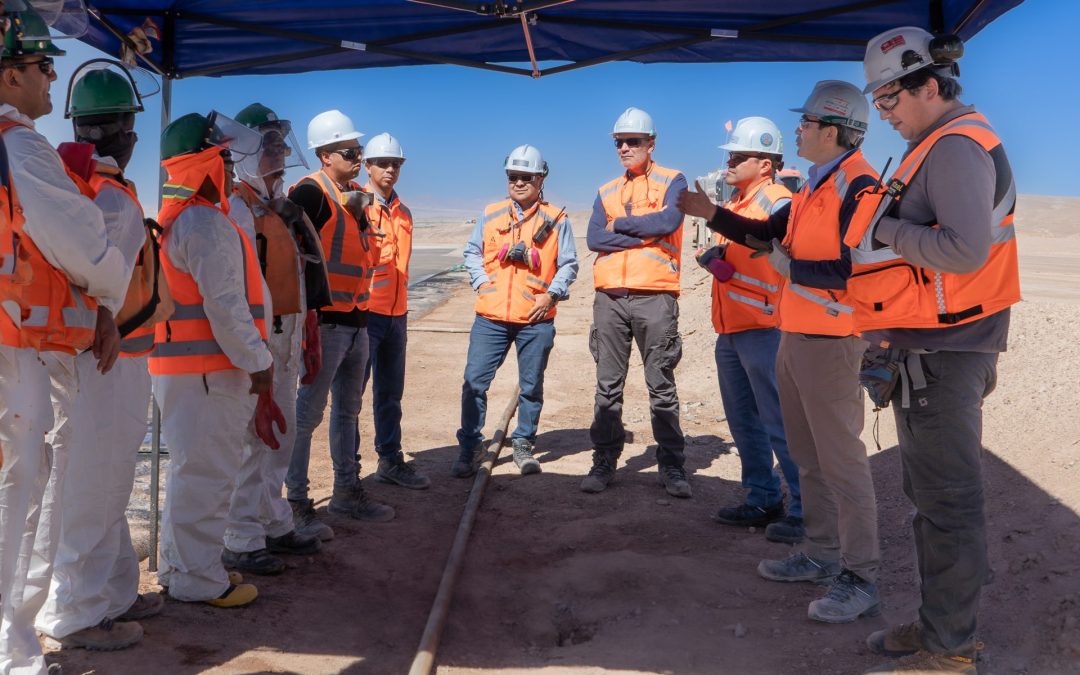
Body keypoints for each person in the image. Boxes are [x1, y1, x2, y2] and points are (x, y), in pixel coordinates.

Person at [678, 81, 881, 623]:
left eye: (807, 124)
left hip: (834, 341)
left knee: (842, 463)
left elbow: (853, 268)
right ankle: (819, 553)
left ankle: (859, 577)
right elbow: (765, 232)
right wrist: (711, 213)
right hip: (795, 335)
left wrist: (792, 270)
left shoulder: (858, 185)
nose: (798, 132)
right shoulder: (817, 184)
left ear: (832, 130)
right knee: (808, 459)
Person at [852, 27, 1019, 675]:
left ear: (927, 84)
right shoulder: (934, 145)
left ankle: (950, 651)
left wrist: (882, 228)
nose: (885, 114)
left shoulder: (952, 147)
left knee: (948, 500)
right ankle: (938, 625)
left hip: (949, 348)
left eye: (890, 99)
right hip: (929, 342)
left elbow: (962, 249)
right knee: (929, 497)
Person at [0, 9, 133, 670]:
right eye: (42, 62)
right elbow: (84, 240)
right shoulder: (19, 145)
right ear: (10, 70)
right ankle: (13, 656)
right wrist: (108, 293)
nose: (53, 74)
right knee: (16, 501)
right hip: (12, 349)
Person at [36, 61, 165, 652]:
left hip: (70, 355)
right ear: (124, 132)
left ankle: (111, 592)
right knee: (95, 485)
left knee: (94, 482)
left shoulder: (62, 184)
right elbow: (101, 281)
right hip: (105, 361)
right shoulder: (111, 198)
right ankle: (76, 614)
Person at [150, 111, 271, 608]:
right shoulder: (204, 222)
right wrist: (260, 362)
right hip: (211, 373)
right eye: (222, 155)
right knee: (206, 475)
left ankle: (181, 569)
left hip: (186, 373)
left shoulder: (179, 217)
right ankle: (199, 579)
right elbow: (227, 308)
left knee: (190, 472)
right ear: (205, 160)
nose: (228, 164)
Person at [222, 102, 325, 576]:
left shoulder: (278, 208)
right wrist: (254, 349)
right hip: (257, 343)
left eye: (282, 143)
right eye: (270, 144)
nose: (280, 151)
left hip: (285, 336)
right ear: (244, 151)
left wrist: (306, 326)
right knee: (252, 438)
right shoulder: (238, 210)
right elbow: (237, 287)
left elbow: (294, 277)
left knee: (278, 438)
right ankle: (240, 537)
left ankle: (272, 520)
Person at [699, 116, 803, 544]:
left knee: (780, 423)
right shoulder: (740, 204)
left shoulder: (777, 201)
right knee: (744, 421)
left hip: (767, 329)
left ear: (766, 162)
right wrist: (720, 260)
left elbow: (784, 250)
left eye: (739, 156)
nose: (730, 162)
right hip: (733, 331)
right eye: (730, 155)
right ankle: (762, 497)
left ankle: (803, 507)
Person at [286, 110, 393, 524]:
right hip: (325, 323)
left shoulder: (350, 196)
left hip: (356, 320)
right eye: (351, 151)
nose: (358, 157)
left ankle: (347, 491)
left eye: (358, 150)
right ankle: (295, 502)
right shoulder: (311, 194)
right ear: (325, 154)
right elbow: (291, 259)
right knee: (307, 413)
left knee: (348, 411)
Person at [452, 144, 578, 477]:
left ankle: (523, 444)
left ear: (540, 179)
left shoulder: (556, 219)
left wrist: (550, 296)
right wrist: (482, 283)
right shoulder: (491, 213)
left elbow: (569, 264)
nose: (518, 182)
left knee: (530, 386)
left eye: (526, 177)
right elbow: (472, 252)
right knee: (474, 384)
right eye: (513, 176)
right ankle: (469, 448)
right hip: (490, 318)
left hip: (535, 319)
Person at [583, 107, 690, 498]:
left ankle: (673, 467)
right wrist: (640, 233)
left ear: (651, 143)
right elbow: (595, 238)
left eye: (633, 141)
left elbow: (667, 224)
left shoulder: (673, 180)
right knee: (607, 387)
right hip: (609, 299)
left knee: (660, 385)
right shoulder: (607, 190)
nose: (625, 148)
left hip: (656, 297)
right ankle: (604, 462)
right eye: (619, 142)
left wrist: (620, 226)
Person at [361, 133, 429, 489]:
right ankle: (350, 472)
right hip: (364, 313)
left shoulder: (404, 213)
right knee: (351, 397)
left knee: (390, 395)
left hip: (397, 314)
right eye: (383, 163)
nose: (390, 169)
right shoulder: (355, 206)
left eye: (396, 164)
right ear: (366, 166)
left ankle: (390, 460)